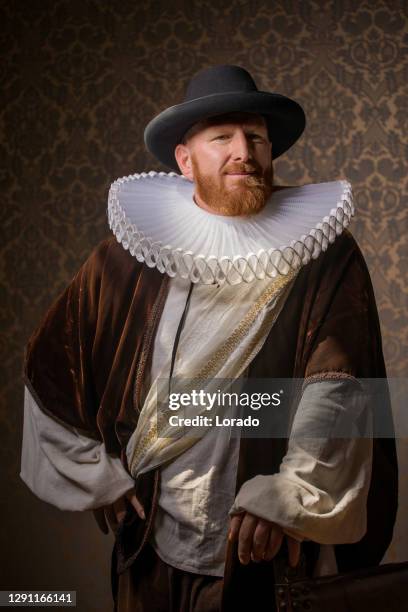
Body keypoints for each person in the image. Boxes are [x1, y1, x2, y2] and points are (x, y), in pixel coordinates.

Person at [21, 65, 398, 611]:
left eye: (256, 138)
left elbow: (336, 385)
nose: (242, 151)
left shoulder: (322, 254)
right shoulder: (127, 256)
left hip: (259, 545)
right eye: (221, 137)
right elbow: (52, 366)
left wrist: (289, 497)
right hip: (151, 539)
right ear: (185, 158)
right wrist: (93, 473)